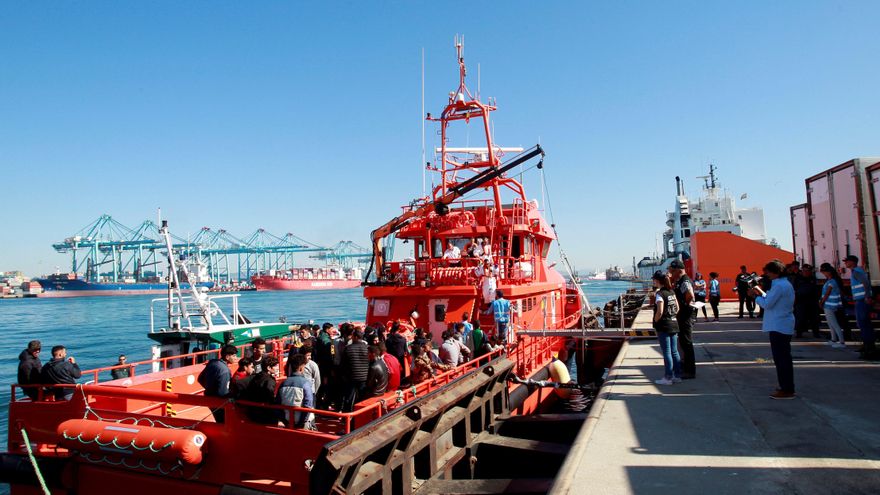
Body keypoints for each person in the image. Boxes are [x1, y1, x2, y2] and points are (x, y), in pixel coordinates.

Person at [750, 260, 796, 399]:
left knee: (782, 360)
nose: (767, 275)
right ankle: (785, 386)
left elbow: (768, 304)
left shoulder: (779, 286)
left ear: (776, 272)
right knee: (783, 359)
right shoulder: (782, 284)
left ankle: (786, 389)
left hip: (779, 325)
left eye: (768, 272)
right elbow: (771, 299)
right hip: (781, 324)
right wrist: (761, 293)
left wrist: (756, 297)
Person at [651, 272, 682, 385]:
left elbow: (659, 311)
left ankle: (668, 377)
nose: (653, 282)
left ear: (658, 281)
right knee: (674, 351)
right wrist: (671, 316)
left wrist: (656, 320)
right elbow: (677, 308)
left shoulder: (660, 294)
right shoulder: (671, 292)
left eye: (654, 280)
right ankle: (677, 375)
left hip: (664, 326)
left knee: (667, 352)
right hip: (674, 324)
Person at [844, 255, 877, 360]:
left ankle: (870, 350)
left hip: (862, 301)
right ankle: (867, 347)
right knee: (862, 324)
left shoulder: (857, 272)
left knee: (864, 324)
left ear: (852, 262)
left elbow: (866, 284)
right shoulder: (856, 271)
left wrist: (867, 296)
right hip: (860, 300)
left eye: (847, 261)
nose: (845, 263)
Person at [668, 260, 696, 379]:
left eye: (673, 271)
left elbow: (690, 295)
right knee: (683, 342)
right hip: (682, 316)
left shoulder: (684, 281)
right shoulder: (679, 281)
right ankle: (684, 365)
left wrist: (684, 305)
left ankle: (690, 371)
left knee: (687, 342)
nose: (671, 273)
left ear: (679, 270)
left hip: (685, 316)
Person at [197, 344, 237, 423]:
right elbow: (223, 392)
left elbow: (200, 379)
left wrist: (209, 388)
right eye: (234, 356)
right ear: (227, 357)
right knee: (224, 422)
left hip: (209, 398)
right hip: (219, 403)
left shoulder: (212, 363)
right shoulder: (225, 371)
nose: (236, 358)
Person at [276, 354, 315, 429]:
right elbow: (308, 405)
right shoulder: (305, 383)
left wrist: (285, 421)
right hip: (301, 422)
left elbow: (278, 404)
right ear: (301, 368)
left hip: (287, 421)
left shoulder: (283, 383)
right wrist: (301, 422)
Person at [240, 355, 282, 424]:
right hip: (265, 413)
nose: (277, 368)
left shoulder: (256, 376)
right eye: (275, 366)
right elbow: (270, 397)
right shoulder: (269, 381)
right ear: (268, 368)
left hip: (253, 411)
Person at [819, 263, 847, 348]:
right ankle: (833, 339)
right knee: (830, 323)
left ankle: (842, 342)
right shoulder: (829, 281)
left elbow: (827, 293)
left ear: (829, 272)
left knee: (834, 323)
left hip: (830, 305)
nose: (824, 274)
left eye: (824, 272)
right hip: (828, 304)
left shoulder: (832, 281)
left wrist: (821, 302)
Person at [341, 329, 369, 412]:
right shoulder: (367, 348)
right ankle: (360, 415)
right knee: (361, 398)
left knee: (348, 397)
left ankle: (346, 416)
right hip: (364, 377)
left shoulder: (348, 348)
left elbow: (343, 364)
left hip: (351, 377)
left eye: (352, 336)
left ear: (356, 337)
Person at [794, 264, 822, 339]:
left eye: (808, 271)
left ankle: (816, 333)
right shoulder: (798, 279)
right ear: (802, 271)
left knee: (814, 318)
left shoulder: (813, 279)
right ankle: (799, 333)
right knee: (800, 318)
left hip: (812, 301)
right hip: (801, 301)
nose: (806, 272)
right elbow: (794, 290)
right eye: (804, 270)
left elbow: (817, 290)